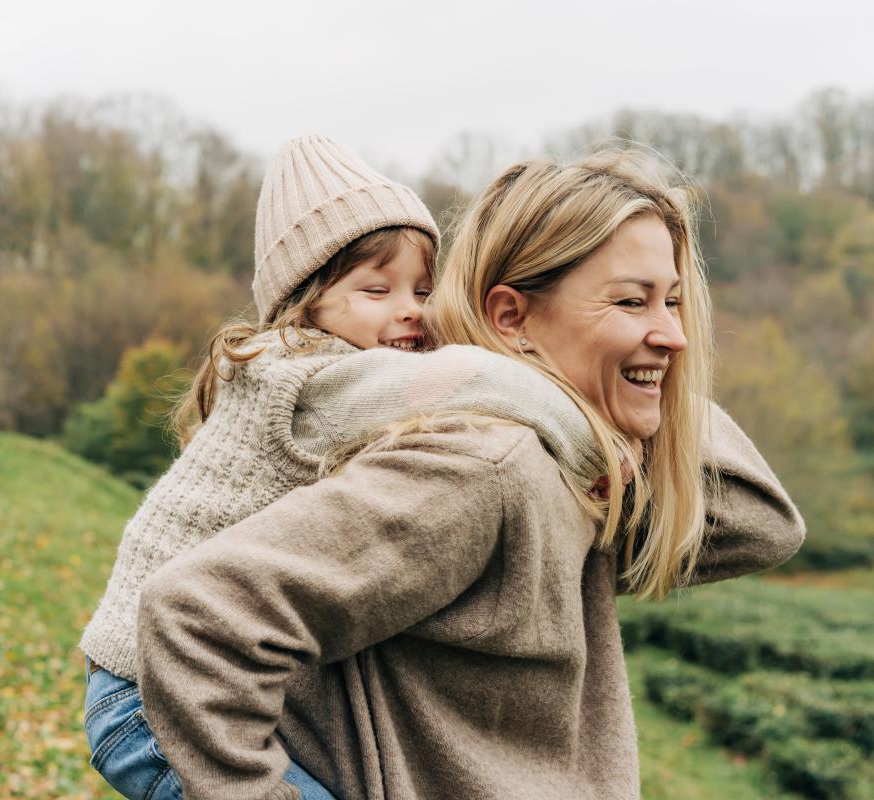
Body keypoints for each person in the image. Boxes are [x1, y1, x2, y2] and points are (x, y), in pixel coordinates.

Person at [135, 148, 807, 800]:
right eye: (632, 301)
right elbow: (195, 615)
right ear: (510, 316)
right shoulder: (485, 469)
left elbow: (757, 522)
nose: (675, 335)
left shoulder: (573, 472)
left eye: (674, 301)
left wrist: (625, 399)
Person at [79, 135, 608, 800]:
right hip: (149, 701)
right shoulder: (307, 379)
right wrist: (590, 442)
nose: (410, 310)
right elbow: (463, 382)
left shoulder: (311, 366)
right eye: (376, 289)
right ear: (308, 299)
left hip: (168, 681)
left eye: (421, 287)